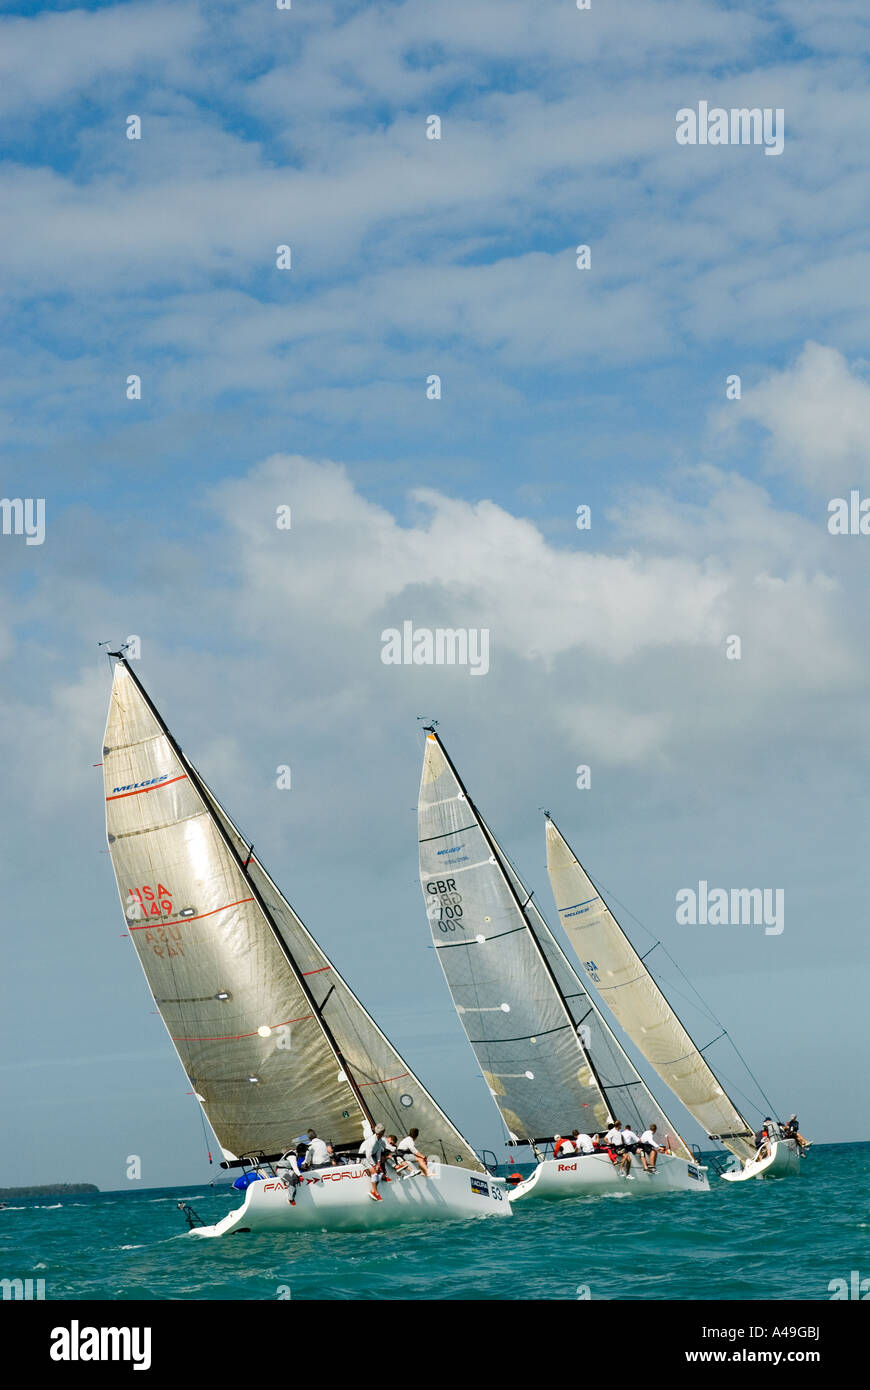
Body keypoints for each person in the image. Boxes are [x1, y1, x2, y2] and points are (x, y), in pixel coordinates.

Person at [362, 1122, 388, 1200]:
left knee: (380, 1173)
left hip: (371, 1158)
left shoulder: (379, 1140)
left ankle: (373, 1190)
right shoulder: (372, 1141)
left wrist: (378, 1162)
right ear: (382, 1132)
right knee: (375, 1173)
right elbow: (368, 1155)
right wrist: (374, 1165)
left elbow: (378, 1151)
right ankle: (375, 1192)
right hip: (363, 1158)